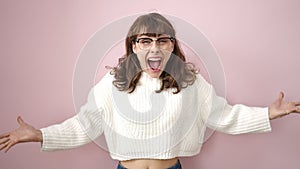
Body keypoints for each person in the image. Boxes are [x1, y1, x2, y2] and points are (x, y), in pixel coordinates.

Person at [0, 12, 299, 169]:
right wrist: (40, 134)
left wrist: (267, 114)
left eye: (163, 40)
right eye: (145, 41)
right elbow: (84, 124)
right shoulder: (114, 83)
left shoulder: (188, 81)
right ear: (133, 46)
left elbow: (224, 115)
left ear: (172, 46)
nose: (154, 47)